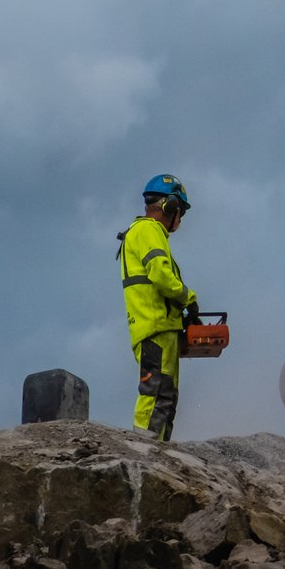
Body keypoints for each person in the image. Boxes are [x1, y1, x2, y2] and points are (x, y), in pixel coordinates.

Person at [117, 174, 201, 441]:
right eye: (181, 211)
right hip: (155, 326)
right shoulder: (149, 231)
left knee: (165, 394)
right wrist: (189, 298)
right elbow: (162, 278)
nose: (181, 219)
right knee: (156, 393)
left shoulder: (141, 233)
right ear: (171, 207)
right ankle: (145, 451)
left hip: (160, 327)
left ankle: (160, 451)